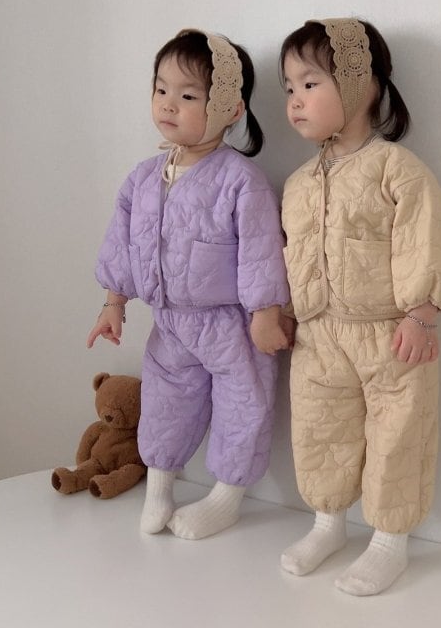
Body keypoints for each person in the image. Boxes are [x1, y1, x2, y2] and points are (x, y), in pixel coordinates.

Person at [87, 29, 290, 540]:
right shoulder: (142, 178)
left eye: (187, 95)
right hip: (170, 323)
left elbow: (262, 248)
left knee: (244, 401)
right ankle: (159, 484)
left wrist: (265, 311)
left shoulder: (241, 180)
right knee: (165, 398)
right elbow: (121, 241)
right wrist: (114, 302)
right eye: (160, 89)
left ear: (229, 109)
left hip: (230, 325)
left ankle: (226, 497)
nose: (168, 104)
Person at [278, 18, 441, 595]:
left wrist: (422, 312)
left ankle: (389, 541)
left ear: (363, 85)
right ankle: (327, 524)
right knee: (318, 427)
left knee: (397, 434)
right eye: (289, 88)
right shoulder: (299, 182)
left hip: (389, 336)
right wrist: (287, 311)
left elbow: (423, 241)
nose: (295, 100)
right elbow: (292, 254)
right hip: (318, 336)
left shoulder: (397, 169)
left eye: (310, 84)